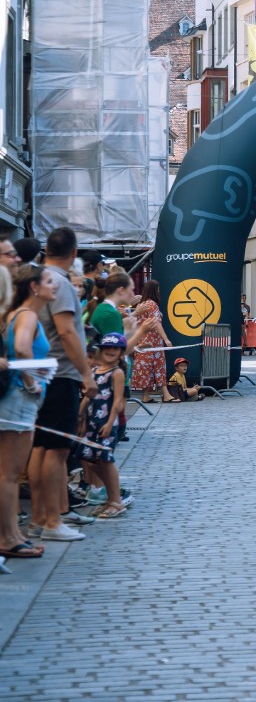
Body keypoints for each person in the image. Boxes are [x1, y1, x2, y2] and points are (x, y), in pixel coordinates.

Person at [27, 228, 97, 543]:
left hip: (45, 373)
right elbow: (67, 332)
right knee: (55, 450)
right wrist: (86, 373)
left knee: (42, 447)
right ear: (74, 252)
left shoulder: (40, 278)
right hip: (61, 373)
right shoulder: (61, 283)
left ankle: (42, 518)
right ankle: (51, 521)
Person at [0, 266, 47, 558]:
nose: (55, 287)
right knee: (9, 474)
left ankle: (12, 533)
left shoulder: (15, 315)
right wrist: (31, 382)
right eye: (49, 282)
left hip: (15, 395)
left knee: (10, 474)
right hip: (17, 397)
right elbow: (22, 350)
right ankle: (8, 537)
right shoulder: (24, 315)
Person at [76, 333, 129, 519]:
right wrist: (80, 416)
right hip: (91, 422)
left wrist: (109, 423)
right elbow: (87, 396)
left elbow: (117, 402)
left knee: (106, 460)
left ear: (121, 352)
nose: (111, 351)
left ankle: (116, 501)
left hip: (106, 422)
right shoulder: (94, 372)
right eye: (107, 348)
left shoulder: (117, 373)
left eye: (115, 348)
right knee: (91, 460)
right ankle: (110, 496)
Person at [130, 280, 176, 403]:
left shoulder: (142, 304)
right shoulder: (152, 304)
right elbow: (156, 323)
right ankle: (166, 395)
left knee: (146, 369)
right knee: (159, 367)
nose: (159, 291)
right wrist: (166, 339)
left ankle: (146, 396)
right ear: (154, 290)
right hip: (153, 341)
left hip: (142, 341)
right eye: (158, 288)